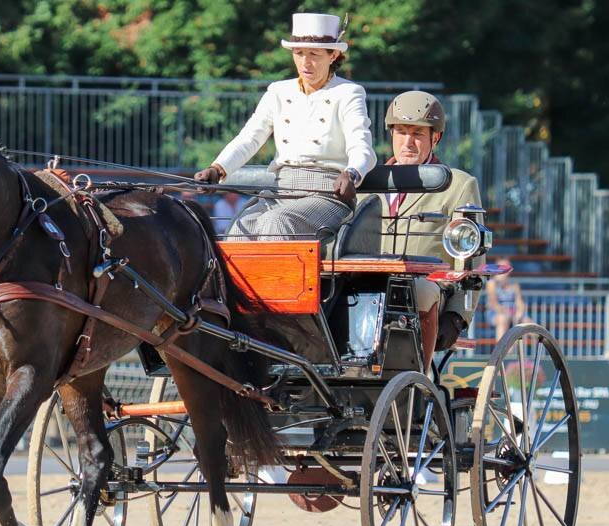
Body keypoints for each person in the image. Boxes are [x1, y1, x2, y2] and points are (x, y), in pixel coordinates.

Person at [193, 13, 376, 240]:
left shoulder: (348, 93)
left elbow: (361, 144)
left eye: (314, 54)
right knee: (240, 228)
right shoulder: (278, 91)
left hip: (328, 195)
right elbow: (250, 137)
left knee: (276, 222)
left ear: (333, 55)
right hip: (280, 192)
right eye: (299, 54)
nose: (305, 62)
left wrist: (352, 172)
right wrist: (218, 169)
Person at [372, 90, 486, 364]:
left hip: (429, 292)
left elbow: (474, 261)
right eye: (401, 132)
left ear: (436, 138)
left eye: (418, 134)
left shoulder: (457, 185)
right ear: (391, 134)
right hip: (370, 287)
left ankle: (419, 381)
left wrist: (457, 317)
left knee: (419, 289)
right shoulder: (367, 183)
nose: (407, 142)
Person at [486, 258, 527, 340]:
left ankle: (541, 349)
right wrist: (506, 312)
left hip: (512, 311)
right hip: (496, 312)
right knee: (503, 319)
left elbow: (520, 302)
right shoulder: (491, 283)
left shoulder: (514, 284)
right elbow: (493, 303)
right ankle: (502, 351)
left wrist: (520, 312)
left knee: (529, 324)